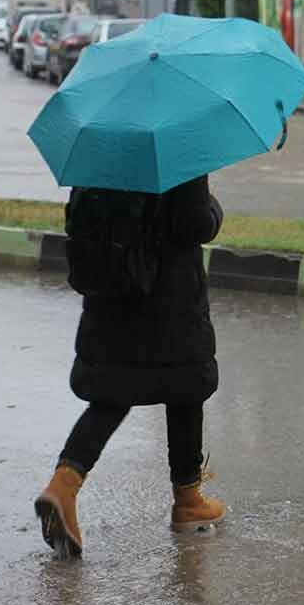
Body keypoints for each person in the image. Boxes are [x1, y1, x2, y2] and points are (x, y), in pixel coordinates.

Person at [34, 175, 227, 558]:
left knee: (112, 394)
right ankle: (188, 500)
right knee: (186, 386)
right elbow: (194, 225)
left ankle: (63, 485)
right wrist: (213, 208)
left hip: (110, 290)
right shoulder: (175, 147)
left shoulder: (102, 151)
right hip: (168, 296)